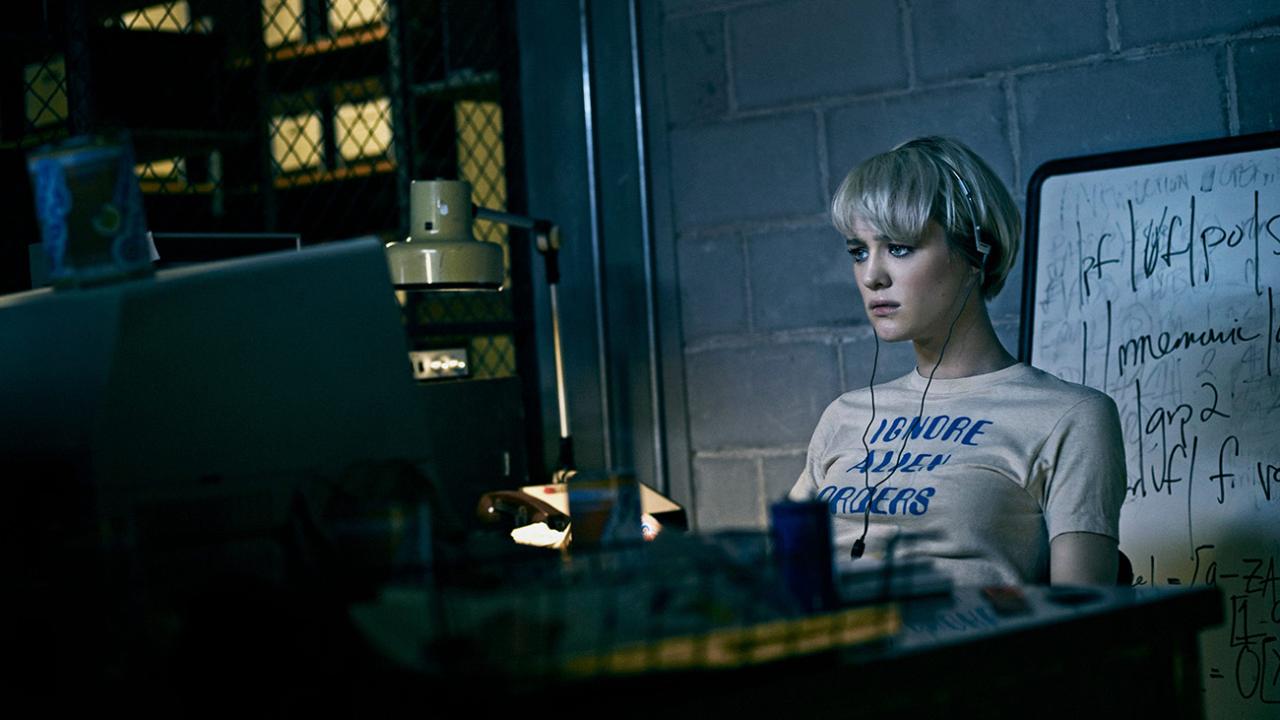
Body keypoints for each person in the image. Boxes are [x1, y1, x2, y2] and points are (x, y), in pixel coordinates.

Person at [788, 136, 1126, 586]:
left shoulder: (1071, 416)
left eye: (899, 247)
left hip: (966, 633)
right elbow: (774, 573)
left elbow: (1083, 616)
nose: (871, 276)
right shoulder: (843, 415)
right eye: (858, 251)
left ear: (977, 253)